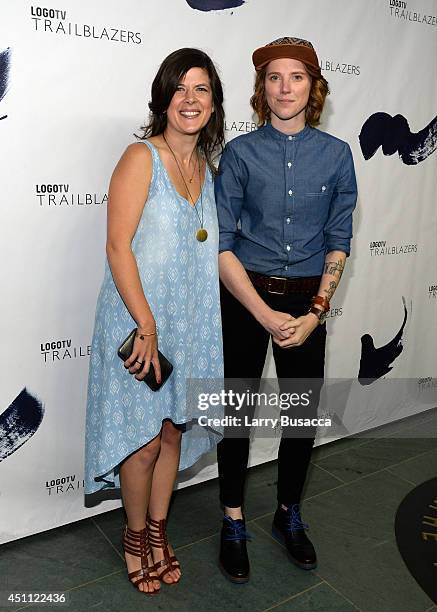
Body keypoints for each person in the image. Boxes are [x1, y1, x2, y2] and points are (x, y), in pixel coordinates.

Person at [215, 36, 357, 583]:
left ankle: (287, 515)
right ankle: (232, 521)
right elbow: (222, 242)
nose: (284, 88)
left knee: (300, 420)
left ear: (313, 86)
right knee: (238, 415)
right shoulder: (242, 154)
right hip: (246, 294)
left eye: (296, 77)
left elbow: (339, 240)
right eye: (274, 78)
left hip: (307, 303)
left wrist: (316, 310)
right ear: (262, 89)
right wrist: (261, 313)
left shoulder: (337, 154)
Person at [84, 48, 225, 595]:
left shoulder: (206, 170)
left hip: (189, 327)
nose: (190, 100)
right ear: (164, 97)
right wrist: (146, 322)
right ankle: (136, 536)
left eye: (202, 90)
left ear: (214, 104)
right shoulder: (141, 157)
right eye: (180, 88)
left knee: (171, 433)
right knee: (142, 443)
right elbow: (118, 246)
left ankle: (160, 531)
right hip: (141, 325)